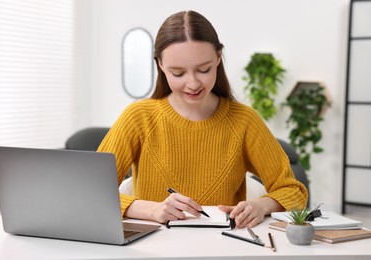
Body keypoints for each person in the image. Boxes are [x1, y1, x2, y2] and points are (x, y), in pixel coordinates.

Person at [97, 10, 308, 228]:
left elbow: (293, 191)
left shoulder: (244, 121)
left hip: (225, 246)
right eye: (178, 73)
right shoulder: (138, 117)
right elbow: (91, 191)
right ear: (160, 64)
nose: (193, 84)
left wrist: (262, 206)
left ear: (218, 57)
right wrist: (152, 209)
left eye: (203, 69)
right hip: (152, 247)